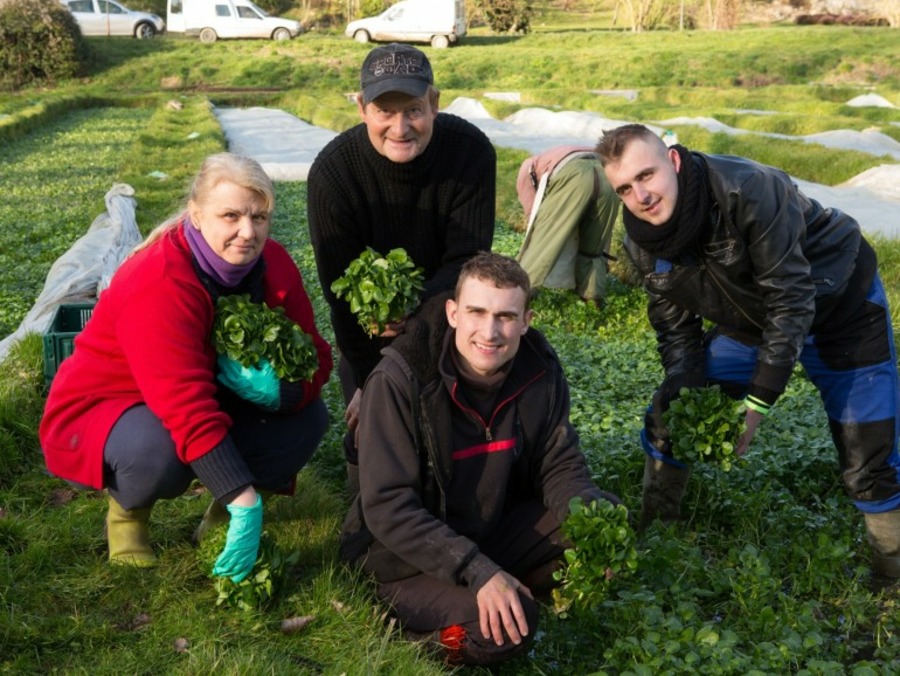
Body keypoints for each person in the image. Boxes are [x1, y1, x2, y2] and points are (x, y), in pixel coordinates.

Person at [596, 123, 900, 579]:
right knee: (673, 410)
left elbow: (792, 298)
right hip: (752, 322)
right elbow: (676, 330)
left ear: (673, 161)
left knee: (869, 451)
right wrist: (682, 382)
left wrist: (757, 401)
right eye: (624, 188)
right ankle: (657, 532)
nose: (641, 195)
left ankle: (890, 574)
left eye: (647, 175)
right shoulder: (641, 241)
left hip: (840, 308)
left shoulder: (749, 188)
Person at [39, 153, 333, 579]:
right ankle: (128, 514)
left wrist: (283, 392)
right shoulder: (161, 279)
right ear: (196, 214)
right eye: (230, 215)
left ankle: (219, 519)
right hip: (115, 405)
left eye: (259, 216)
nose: (247, 232)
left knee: (306, 419)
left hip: (203, 397)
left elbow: (317, 355)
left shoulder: (274, 265)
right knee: (159, 449)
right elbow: (183, 405)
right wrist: (244, 499)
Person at [339, 252, 622, 666]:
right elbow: (388, 508)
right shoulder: (401, 378)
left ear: (526, 320)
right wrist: (477, 570)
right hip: (401, 558)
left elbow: (558, 461)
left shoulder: (538, 369)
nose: (490, 332)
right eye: (476, 312)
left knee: (600, 518)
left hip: (486, 530)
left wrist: (592, 522)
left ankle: (497, 588)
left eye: (506, 316)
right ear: (453, 312)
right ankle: (415, 633)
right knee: (510, 631)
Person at [307, 42, 496, 491]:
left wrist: (415, 328)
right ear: (361, 108)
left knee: (447, 428)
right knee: (373, 430)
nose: (400, 127)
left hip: (445, 313)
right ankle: (367, 491)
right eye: (383, 111)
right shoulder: (334, 174)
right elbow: (341, 294)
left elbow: (466, 264)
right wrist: (371, 381)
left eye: (412, 109)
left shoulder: (470, 153)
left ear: (434, 102)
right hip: (370, 329)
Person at [515, 145, 619, 304]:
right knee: (593, 248)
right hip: (607, 176)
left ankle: (518, 297)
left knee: (544, 243)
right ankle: (592, 299)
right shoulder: (556, 154)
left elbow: (533, 217)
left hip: (573, 174)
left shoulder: (528, 167)